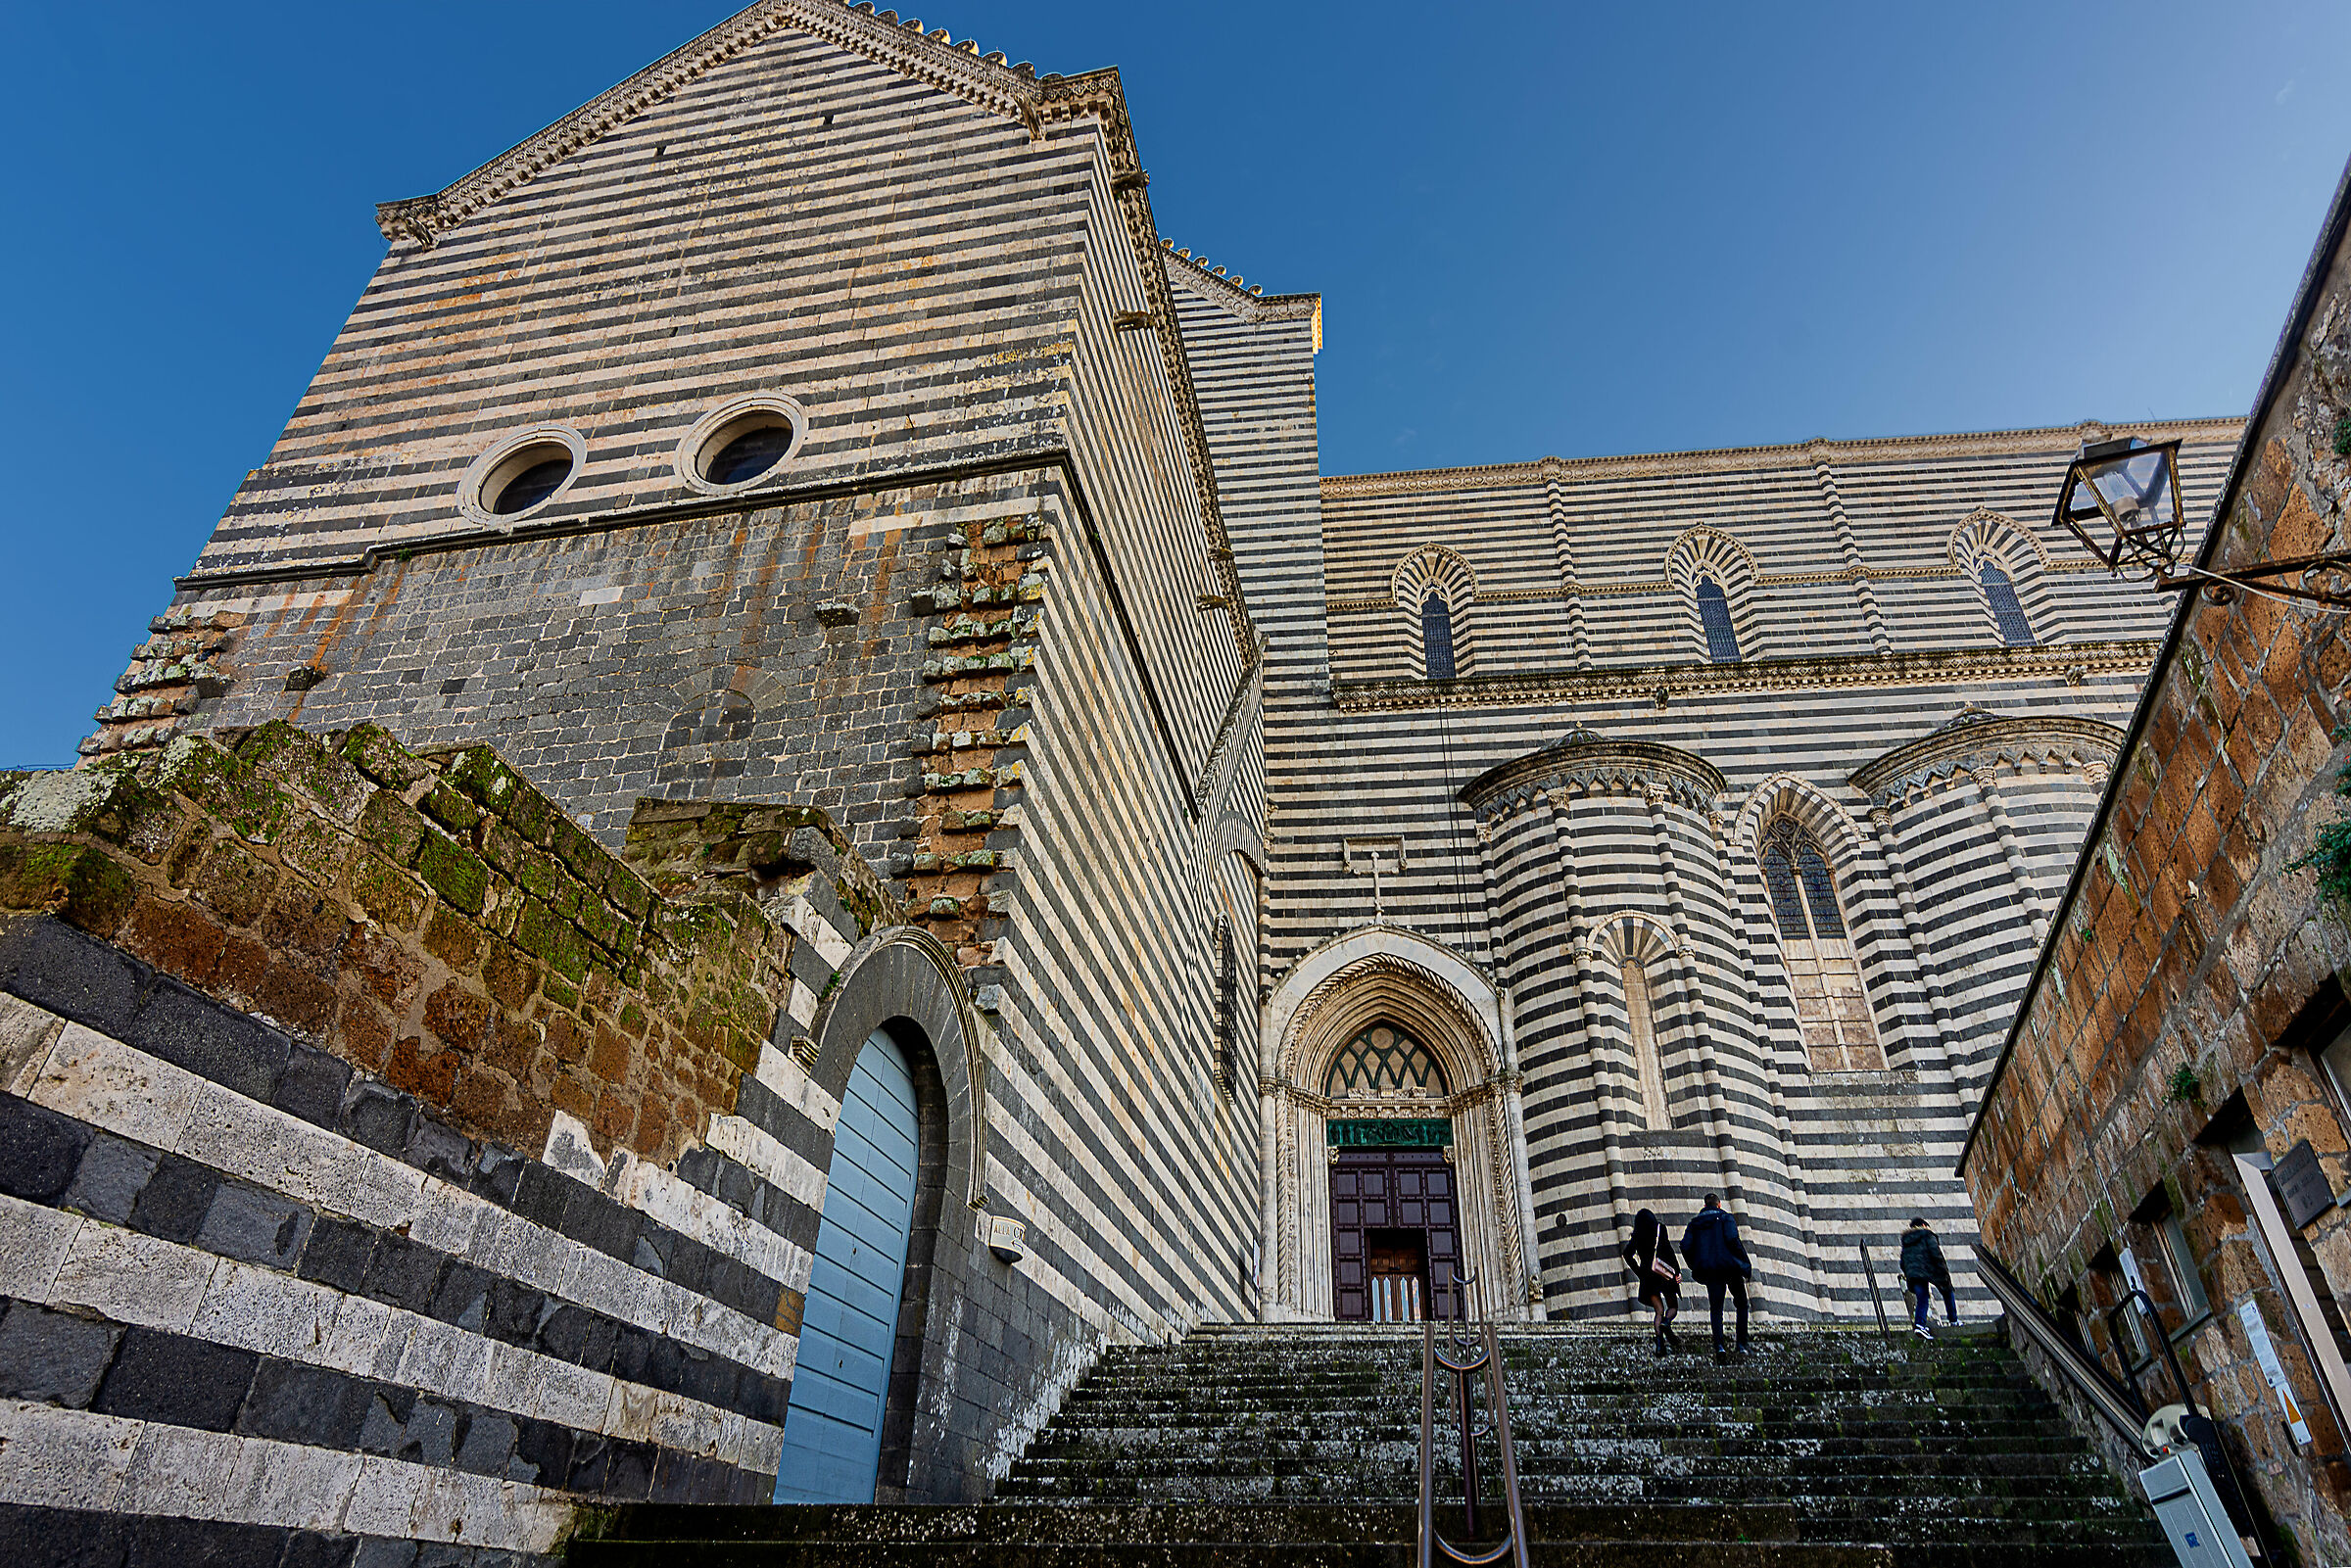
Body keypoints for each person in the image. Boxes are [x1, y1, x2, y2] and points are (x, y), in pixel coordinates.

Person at [1682, 1194, 1753, 1360]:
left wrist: (1697, 1264)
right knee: (1742, 1303)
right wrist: (1745, 1263)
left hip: (1711, 1270)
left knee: (1716, 1309)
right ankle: (1741, 1344)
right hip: (1730, 1267)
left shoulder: (1694, 1224)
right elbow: (1733, 1240)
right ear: (1719, 1204)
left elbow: (1685, 1246)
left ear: (1705, 1205)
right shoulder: (1725, 1218)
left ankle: (1720, 1346)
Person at [1620, 1208, 1682, 1356]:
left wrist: (1639, 1271)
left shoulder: (1637, 1236)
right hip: (1663, 1274)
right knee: (1672, 1306)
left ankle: (1660, 1346)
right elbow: (1669, 1251)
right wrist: (1677, 1272)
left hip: (1648, 1277)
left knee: (1658, 1311)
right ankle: (1667, 1322)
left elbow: (1627, 1254)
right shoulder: (1660, 1229)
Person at [1901, 1216, 1957, 1338]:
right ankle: (1954, 1321)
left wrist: (1909, 1273)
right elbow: (1936, 1254)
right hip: (1931, 1270)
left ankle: (1919, 1326)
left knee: (1922, 1298)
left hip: (1914, 1274)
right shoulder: (1927, 1235)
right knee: (1948, 1291)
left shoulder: (1907, 1242)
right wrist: (1944, 1272)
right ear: (1924, 1225)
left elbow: (1902, 1262)